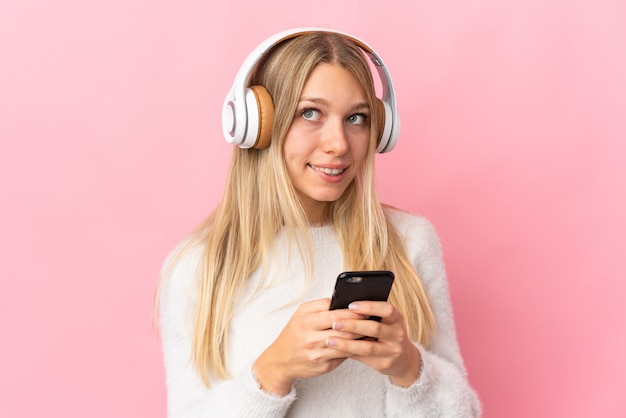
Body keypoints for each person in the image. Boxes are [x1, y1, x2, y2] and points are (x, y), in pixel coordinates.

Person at [157, 27, 481, 417]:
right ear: (256, 124)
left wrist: (409, 368)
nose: (339, 143)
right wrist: (273, 372)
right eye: (310, 113)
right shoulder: (199, 266)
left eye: (356, 118)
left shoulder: (410, 241)